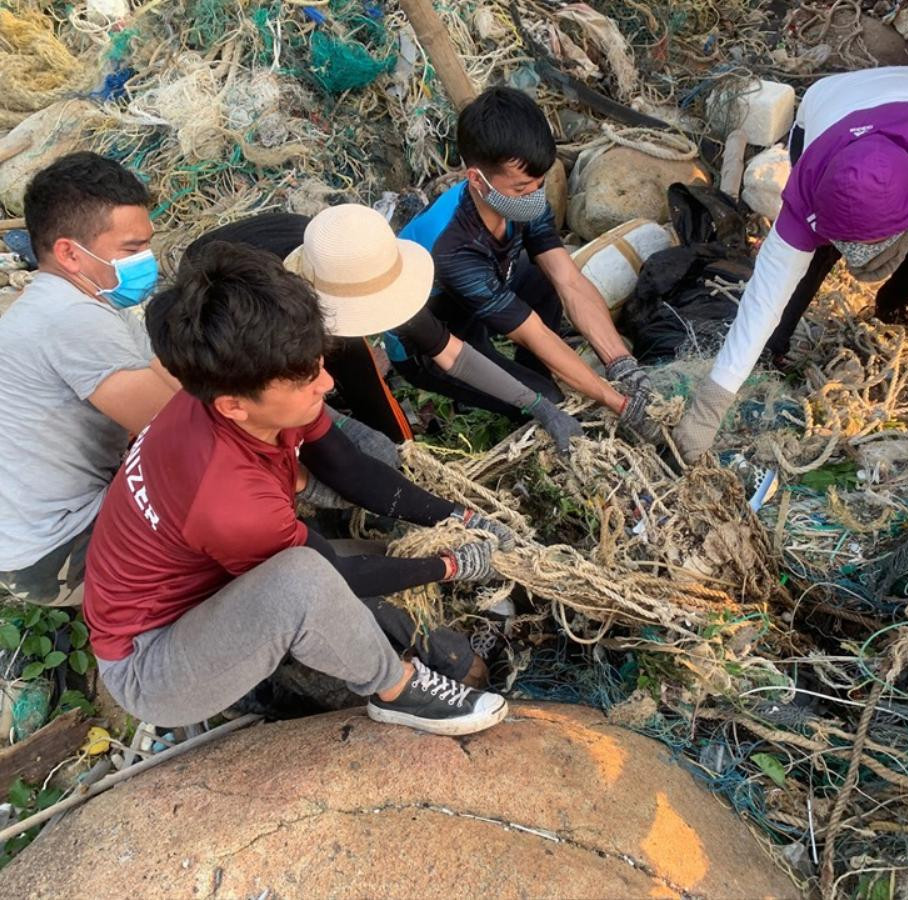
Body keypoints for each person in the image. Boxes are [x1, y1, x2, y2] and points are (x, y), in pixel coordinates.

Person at [83, 242, 515, 733]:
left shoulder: (235, 390)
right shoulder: (229, 499)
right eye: (306, 377)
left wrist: (456, 518)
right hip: (153, 663)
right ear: (233, 406)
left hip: (204, 590)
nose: (327, 382)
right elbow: (332, 578)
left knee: (366, 553)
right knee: (305, 582)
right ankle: (399, 690)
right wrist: (451, 565)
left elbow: (347, 465)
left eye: (318, 363)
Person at [676, 66, 908, 461]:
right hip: (824, 107)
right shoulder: (807, 192)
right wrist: (711, 402)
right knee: (805, 265)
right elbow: (763, 296)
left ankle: (892, 303)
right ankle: (774, 349)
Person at [0, 152, 178, 606]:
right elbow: (175, 419)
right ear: (70, 253)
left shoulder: (78, 303)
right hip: (47, 555)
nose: (146, 260)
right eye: (131, 250)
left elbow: (165, 373)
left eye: (147, 244)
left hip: (9, 539)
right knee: (221, 484)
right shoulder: (70, 318)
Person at [184, 207, 584, 451]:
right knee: (292, 396)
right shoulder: (271, 312)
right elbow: (363, 395)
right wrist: (345, 431)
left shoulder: (353, 257)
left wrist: (535, 403)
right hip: (219, 286)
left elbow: (450, 353)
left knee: (387, 428)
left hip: (284, 251)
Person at [399, 87, 660, 441]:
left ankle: (531, 377)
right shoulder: (453, 247)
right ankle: (521, 403)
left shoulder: (523, 198)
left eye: (539, 183)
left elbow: (568, 278)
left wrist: (621, 364)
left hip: (480, 297)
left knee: (543, 279)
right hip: (434, 341)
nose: (535, 195)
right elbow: (532, 332)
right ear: (477, 179)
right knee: (551, 402)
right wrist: (617, 402)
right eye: (522, 188)